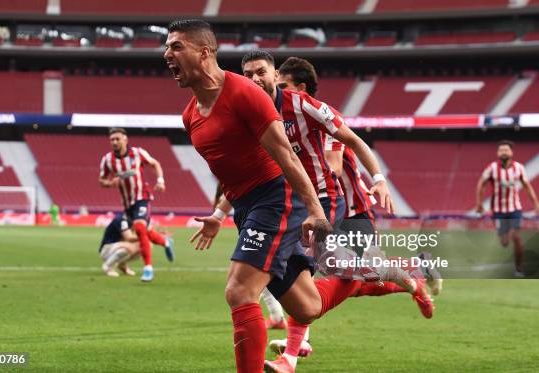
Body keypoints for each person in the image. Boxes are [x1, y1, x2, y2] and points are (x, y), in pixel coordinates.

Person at [164, 19, 399, 373]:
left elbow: (287, 156)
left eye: (175, 46)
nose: (167, 54)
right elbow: (227, 170)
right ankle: (353, 280)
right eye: (167, 47)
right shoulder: (189, 116)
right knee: (306, 306)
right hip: (247, 209)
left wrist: (316, 210)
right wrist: (218, 214)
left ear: (205, 52)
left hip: (275, 200)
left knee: (239, 291)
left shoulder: (245, 94)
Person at [241, 53, 433, 370]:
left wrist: (380, 180)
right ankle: (412, 280)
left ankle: (290, 355)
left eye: (262, 72)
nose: (255, 80)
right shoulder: (249, 114)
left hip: (327, 202)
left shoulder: (306, 108)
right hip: (289, 204)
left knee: (306, 275)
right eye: (248, 74)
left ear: (276, 76)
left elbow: (348, 146)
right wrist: (220, 212)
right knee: (348, 277)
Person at [99, 127, 174, 282]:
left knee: (139, 227)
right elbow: (102, 180)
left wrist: (160, 181)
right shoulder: (107, 160)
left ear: (125, 139)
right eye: (112, 139)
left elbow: (155, 164)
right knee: (146, 231)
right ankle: (166, 241)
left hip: (142, 197)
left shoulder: (138, 153)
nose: (114, 142)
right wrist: (110, 183)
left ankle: (148, 269)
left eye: (117, 139)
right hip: (127, 204)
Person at [475, 140, 539, 277]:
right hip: (498, 211)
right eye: (501, 150)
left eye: (506, 150)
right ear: (498, 153)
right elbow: (481, 184)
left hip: (515, 209)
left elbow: (527, 185)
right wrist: (479, 204)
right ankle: (506, 240)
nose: (504, 152)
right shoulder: (492, 168)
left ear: (511, 152)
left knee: (516, 237)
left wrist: (536, 203)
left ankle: (519, 269)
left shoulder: (519, 168)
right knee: (505, 242)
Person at [99, 213, 140, 277]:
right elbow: (129, 238)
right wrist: (145, 236)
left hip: (116, 247)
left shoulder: (131, 221)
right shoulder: (122, 221)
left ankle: (122, 265)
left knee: (143, 246)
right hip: (107, 249)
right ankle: (108, 266)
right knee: (129, 247)